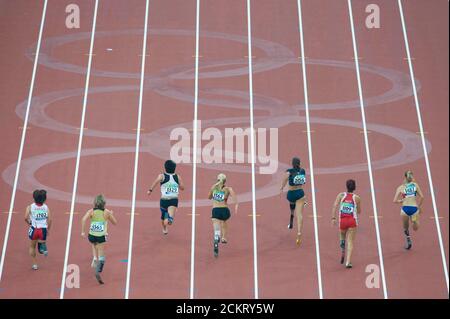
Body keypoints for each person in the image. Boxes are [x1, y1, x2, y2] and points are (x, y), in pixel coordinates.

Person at [81, 195, 117, 284]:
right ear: (104, 204)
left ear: (95, 203)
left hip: (91, 235)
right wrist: (110, 215)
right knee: (102, 256)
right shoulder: (107, 212)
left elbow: (83, 219)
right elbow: (115, 222)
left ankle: (94, 257)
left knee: (93, 243)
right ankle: (98, 271)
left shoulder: (91, 211)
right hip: (101, 236)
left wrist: (82, 232)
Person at [147, 160, 185, 235]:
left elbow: (155, 182)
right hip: (173, 200)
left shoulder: (161, 176)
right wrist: (177, 185)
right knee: (169, 218)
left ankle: (165, 227)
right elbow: (183, 188)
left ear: (165, 168)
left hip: (164, 200)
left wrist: (150, 190)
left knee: (163, 218)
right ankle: (169, 218)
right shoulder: (177, 177)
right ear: (174, 168)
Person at [331, 179, 361, 268]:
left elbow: (335, 206)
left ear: (346, 186)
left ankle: (342, 242)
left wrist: (333, 218)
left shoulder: (341, 195)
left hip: (342, 221)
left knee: (342, 234)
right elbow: (359, 211)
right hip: (352, 221)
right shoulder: (357, 198)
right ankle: (348, 262)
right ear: (354, 187)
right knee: (350, 242)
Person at [208, 173, 238, 257]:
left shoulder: (214, 188)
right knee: (224, 221)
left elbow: (209, 197)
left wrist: (213, 189)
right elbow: (233, 196)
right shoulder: (228, 189)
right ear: (225, 181)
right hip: (225, 210)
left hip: (216, 210)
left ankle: (217, 236)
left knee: (216, 225)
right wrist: (236, 204)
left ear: (217, 180)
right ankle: (224, 237)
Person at [393, 170, 424, 250]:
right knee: (415, 228)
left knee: (405, 228)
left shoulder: (400, 188)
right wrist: (419, 207)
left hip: (405, 209)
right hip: (414, 208)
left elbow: (394, 200)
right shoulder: (415, 185)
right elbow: (422, 197)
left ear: (405, 177)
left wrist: (400, 201)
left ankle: (408, 239)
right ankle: (414, 221)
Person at [280, 157, 307, 245]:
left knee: (292, 206)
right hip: (300, 193)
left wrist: (282, 187)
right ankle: (299, 232)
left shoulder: (289, 171)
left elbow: (284, 179)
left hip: (291, 194)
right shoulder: (303, 171)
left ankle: (291, 219)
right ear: (299, 163)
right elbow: (303, 182)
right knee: (299, 214)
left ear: (292, 163)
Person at [25, 189, 52, 270]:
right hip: (43, 229)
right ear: (44, 199)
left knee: (32, 247)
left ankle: (34, 264)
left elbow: (25, 217)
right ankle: (42, 248)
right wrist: (48, 229)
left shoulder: (30, 207)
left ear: (34, 198)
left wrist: (30, 223)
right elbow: (50, 220)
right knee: (41, 244)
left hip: (34, 229)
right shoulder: (46, 207)